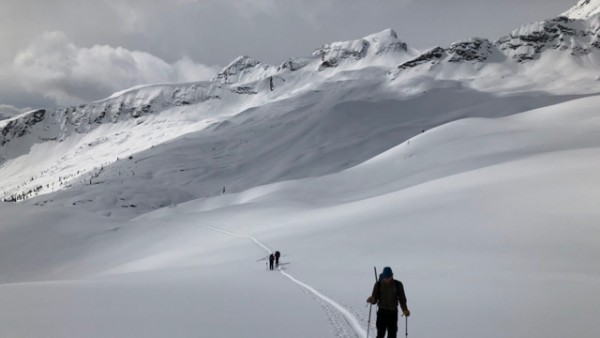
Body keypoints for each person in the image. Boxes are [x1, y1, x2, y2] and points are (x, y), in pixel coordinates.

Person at [366, 266, 410, 338]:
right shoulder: (378, 284)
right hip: (382, 314)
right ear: (383, 276)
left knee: (392, 335)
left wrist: (405, 310)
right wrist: (372, 299)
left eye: (389, 277)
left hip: (393, 314)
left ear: (392, 276)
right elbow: (375, 298)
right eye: (386, 278)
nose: (387, 280)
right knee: (380, 335)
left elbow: (402, 300)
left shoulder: (398, 285)